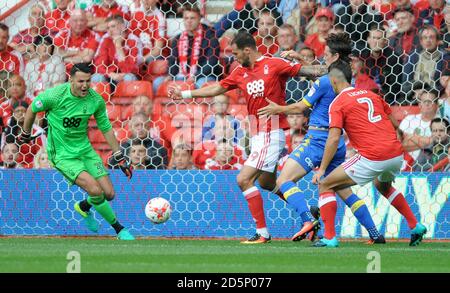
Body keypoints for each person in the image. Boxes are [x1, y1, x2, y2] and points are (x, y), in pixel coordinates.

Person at [169, 31, 327, 244]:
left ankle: (263, 233)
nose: (233, 58)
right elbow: (217, 87)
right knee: (267, 182)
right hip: (257, 134)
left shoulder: (275, 64)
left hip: (271, 131)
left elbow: (312, 72)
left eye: (235, 53)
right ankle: (308, 210)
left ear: (247, 50)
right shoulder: (239, 71)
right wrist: (186, 94)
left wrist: (316, 64)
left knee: (243, 179)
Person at [311, 61, 427, 247]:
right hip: (396, 153)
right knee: (383, 185)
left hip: (373, 155)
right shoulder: (372, 95)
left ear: (333, 80)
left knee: (326, 184)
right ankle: (415, 225)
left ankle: (330, 237)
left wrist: (322, 168)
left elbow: (333, 139)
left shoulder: (337, 103)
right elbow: (392, 120)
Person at [19, 62, 135, 240]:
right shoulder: (55, 96)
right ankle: (119, 230)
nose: (85, 85)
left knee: (109, 194)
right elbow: (32, 108)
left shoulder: (95, 100)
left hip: (85, 150)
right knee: (95, 191)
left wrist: (119, 156)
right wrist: (26, 133)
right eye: (81, 81)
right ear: (71, 79)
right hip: (63, 155)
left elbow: (106, 128)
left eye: (88, 81)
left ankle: (83, 207)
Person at [258, 33, 353, 245]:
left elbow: (301, 106)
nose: (323, 58)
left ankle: (308, 219)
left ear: (335, 56)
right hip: (335, 139)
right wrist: (302, 61)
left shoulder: (326, 80)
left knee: (284, 180)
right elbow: (322, 74)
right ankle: (373, 233)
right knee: (339, 189)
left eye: (326, 54)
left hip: (318, 138)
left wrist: (277, 108)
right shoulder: (343, 76)